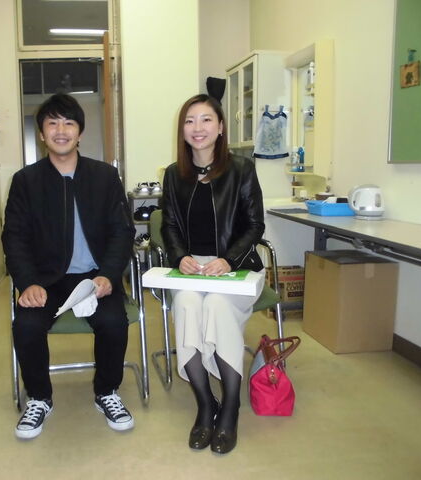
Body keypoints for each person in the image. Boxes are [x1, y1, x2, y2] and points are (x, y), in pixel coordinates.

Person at [2, 93, 136, 439]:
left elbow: (122, 232)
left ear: (80, 132)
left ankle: (106, 391)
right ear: (42, 134)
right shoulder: (26, 181)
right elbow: (14, 238)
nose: (61, 130)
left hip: (95, 278)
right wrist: (27, 282)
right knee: (26, 326)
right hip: (46, 279)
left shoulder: (105, 176)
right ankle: (39, 398)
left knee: (114, 322)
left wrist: (108, 275)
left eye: (69, 123)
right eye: (52, 123)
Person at [160, 94, 265, 454]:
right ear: (182, 130)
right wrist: (180, 257)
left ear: (220, 127)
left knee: (217, 306)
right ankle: (206, 404)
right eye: (190, 121)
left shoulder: (242, 169)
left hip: (237, 267)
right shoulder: (174, 174)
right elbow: (169, 226)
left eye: (206, 119)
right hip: (192, 269)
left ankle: (231, 407)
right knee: (187, 305)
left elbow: (255, 225)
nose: (198, 128)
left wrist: (229, 260)